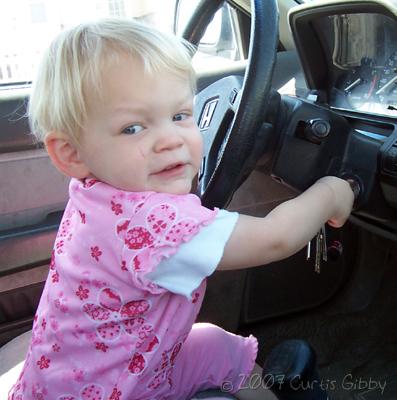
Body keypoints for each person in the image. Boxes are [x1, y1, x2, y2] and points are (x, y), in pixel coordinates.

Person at [9, 18, 354, 400]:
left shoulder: (95, 193)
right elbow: (276, 238)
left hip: (79, 375)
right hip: (119, 390)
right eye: (133, 128)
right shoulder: (155, 224)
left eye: (179, 116)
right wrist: (332, 191)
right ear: (71, 154)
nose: (171, 140)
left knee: (213, 343)